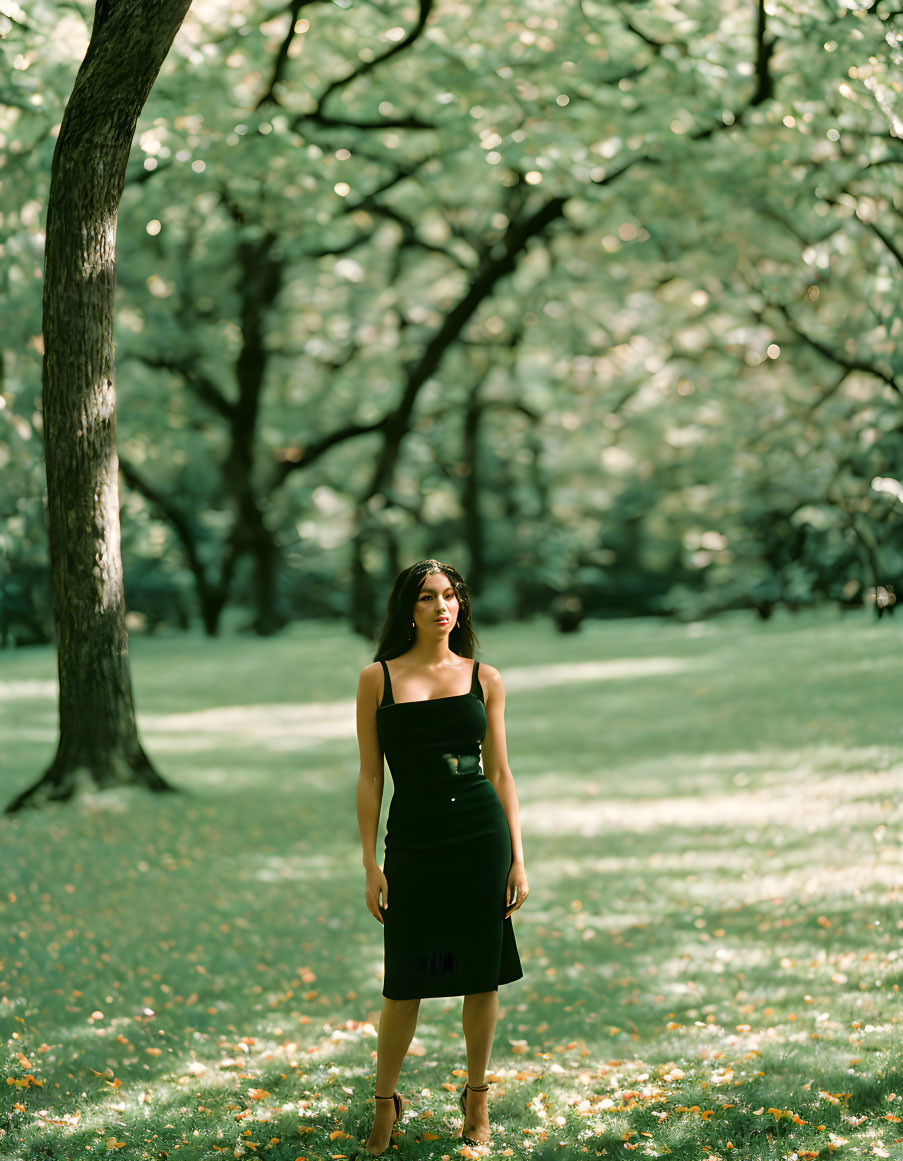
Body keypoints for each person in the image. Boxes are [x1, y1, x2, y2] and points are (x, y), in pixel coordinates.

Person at [356, 558, 529, 1156]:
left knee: (481, 976)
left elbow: (502, 773)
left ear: (461, 605)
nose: (441, 607)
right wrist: (371, 864)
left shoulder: (486, 676)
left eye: (450, 596)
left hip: (481, 837)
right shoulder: (377, 678)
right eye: (427, 597)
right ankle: (385, 1104)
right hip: (414, 840)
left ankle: (476, 1099)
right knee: (405, 982)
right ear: (409, 607)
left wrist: (518, 858)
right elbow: (370, 779)